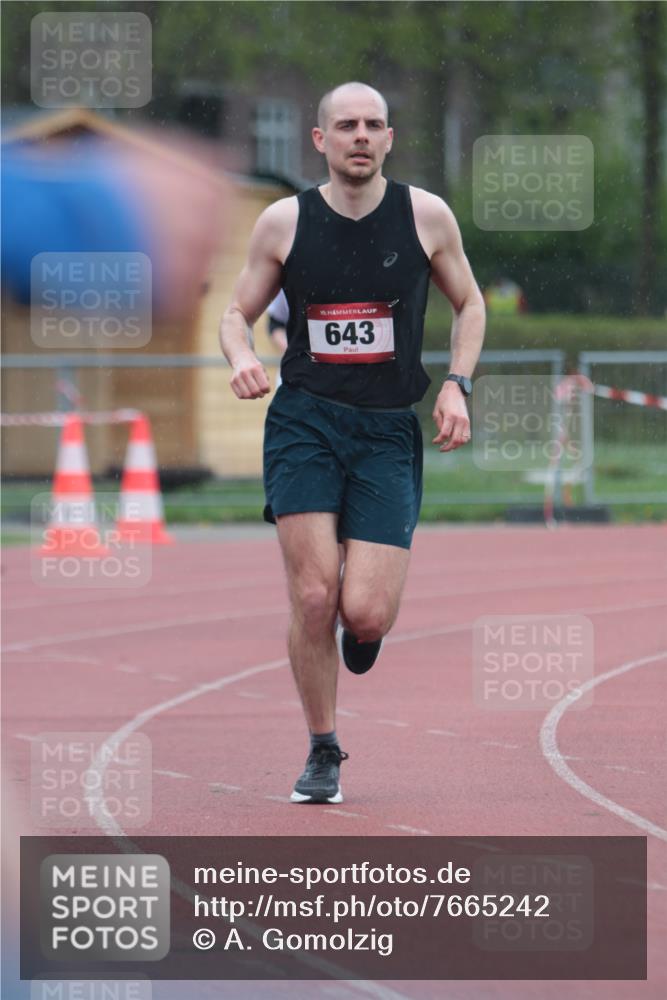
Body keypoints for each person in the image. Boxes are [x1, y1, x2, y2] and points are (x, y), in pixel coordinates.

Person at [219, 81, 485, 804]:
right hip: (305, 419)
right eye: (346, 126)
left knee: (362, 612)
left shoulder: (424, 215)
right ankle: (322, 748)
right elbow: (234, 314)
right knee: (313, 597)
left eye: (373, 125)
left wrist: (457, 383)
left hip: (386, 430)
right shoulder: (283, 222)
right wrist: (242, 357)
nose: (360, 136)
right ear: (320, 141)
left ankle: (360, 633)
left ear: (389, 139)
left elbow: (469, 302)